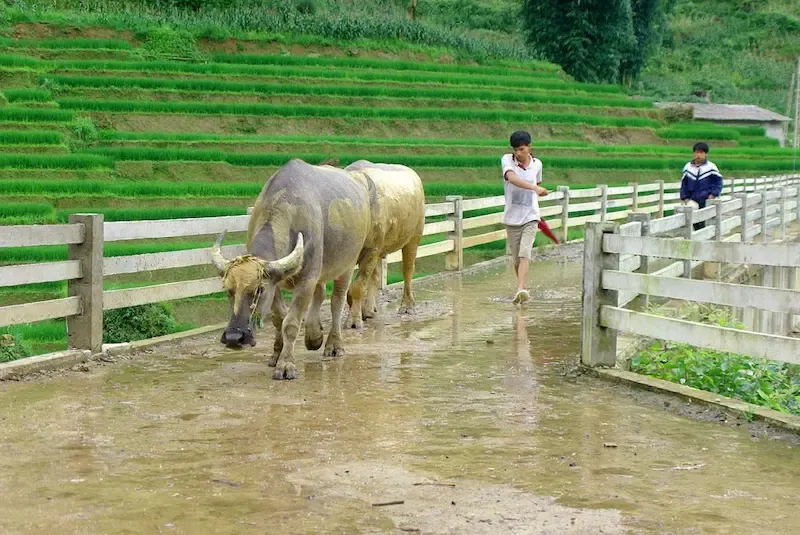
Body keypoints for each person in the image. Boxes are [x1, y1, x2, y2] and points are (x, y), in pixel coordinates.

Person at [501, 131, 549, 305]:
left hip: (531, 215)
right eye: (516, 150)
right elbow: (512, 179)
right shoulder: (507, 160)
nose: (518, 153)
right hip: (512, 217)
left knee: (524, 253)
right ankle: (523, 287)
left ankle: (520, 287)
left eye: (521, 149)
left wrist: (537, 191)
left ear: (529, 147)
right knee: (515, 258)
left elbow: (537, 184)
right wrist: (535, 189)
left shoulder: (537, 164)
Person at [679, 142, 723, 231]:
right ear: (694, 153)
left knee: (705, 222)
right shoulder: (688, 167)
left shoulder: (711, 167)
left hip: (706, 199)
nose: (699, 155)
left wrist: (713, 194)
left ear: (706, 154)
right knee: (694, 222)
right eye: (697, 152)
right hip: (692, 199)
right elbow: (684, 184)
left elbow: (718, 182)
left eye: (701, 152)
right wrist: (685, 197)